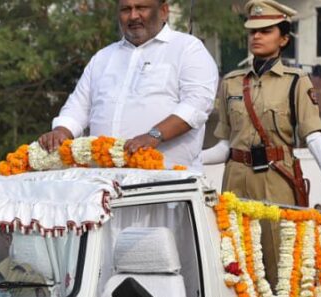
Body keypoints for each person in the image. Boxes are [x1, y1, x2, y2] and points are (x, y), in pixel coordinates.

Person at [200, 0, 321, 286]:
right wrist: (182, 163)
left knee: (280, 262)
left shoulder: (296, 81)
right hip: (235, 180)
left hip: (276, 177)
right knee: (236, 261)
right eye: (252, 31)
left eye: (266, 31)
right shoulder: (232, 83)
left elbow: (312, 137)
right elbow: (225, 146)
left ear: (283, 38)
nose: (257, 37)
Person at [37, 0, 219, 171]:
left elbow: (197, 104)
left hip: (168, 182)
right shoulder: (104, 57)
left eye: (141, 8)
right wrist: (61, 131)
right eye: (126, 9)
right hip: (104, 180)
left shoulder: (187, 48)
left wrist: (154, 135)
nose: (133, 16)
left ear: (163, 11)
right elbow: (78, 107)